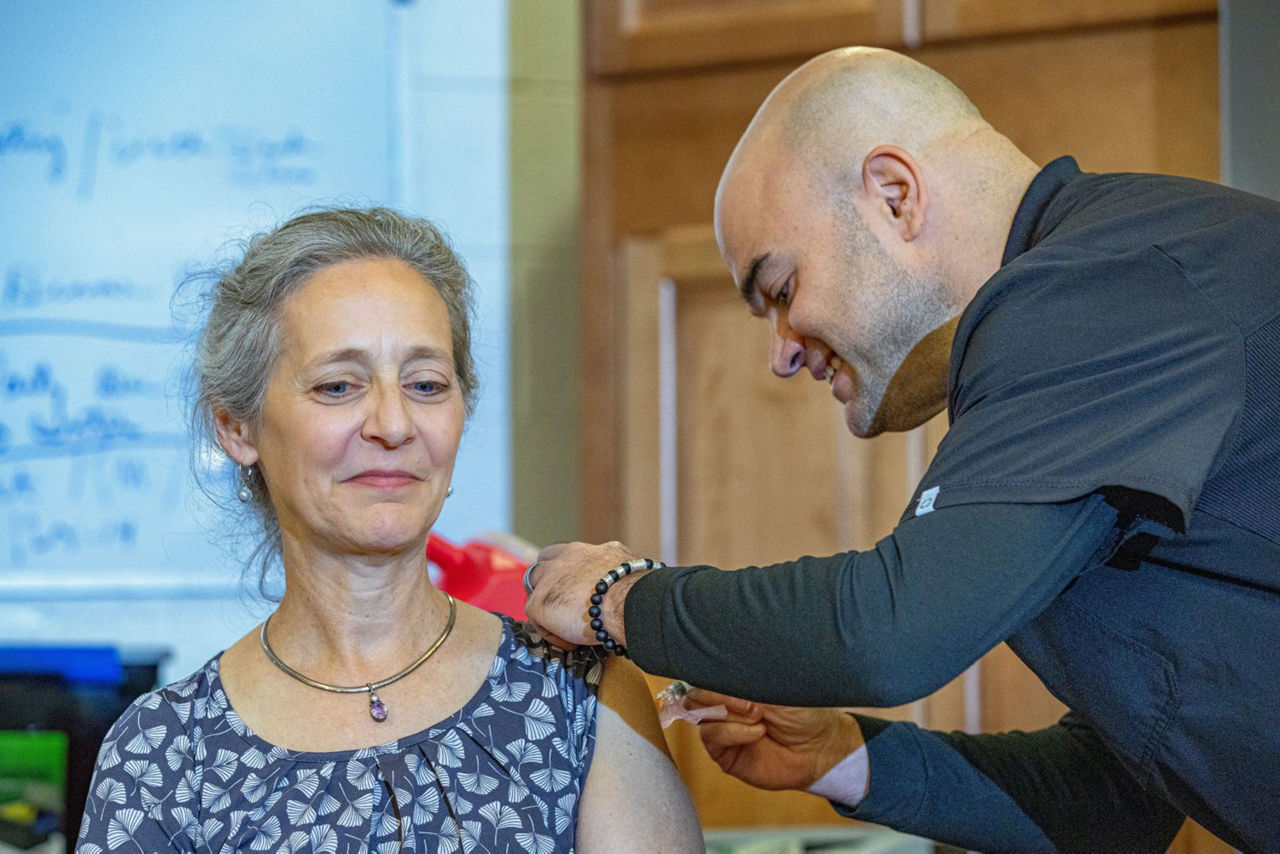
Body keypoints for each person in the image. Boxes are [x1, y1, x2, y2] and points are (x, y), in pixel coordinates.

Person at [526, 46, 1280, 853]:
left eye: (781, 290)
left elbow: (889, 636)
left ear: (895, 195)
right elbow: (1113, 801)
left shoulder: (1108, 291)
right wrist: (835, 754)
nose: (780, 352)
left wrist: (615, 596)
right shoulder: (1095, 332)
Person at [78, 208, 702, 852]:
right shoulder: (163, 754)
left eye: (426, 384)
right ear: (238, 427)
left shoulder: (579, 696)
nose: (394, 423)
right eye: (339, 386)